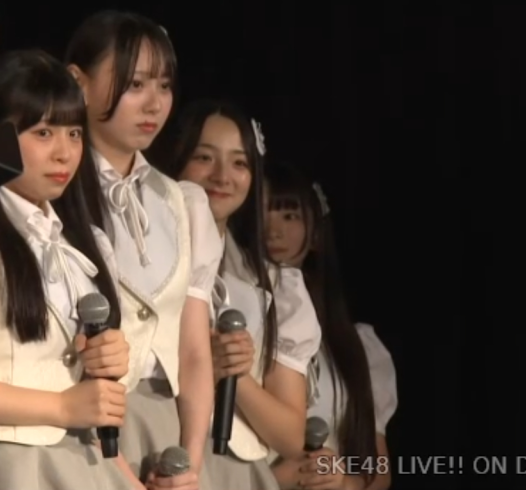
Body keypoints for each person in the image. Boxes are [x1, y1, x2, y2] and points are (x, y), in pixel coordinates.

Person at [0, 49, 140, 489]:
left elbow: (88, 410)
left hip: (81, 465)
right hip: (5, 468)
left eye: (74, 133)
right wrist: (62, 407)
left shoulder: (82, 245)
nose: (64, 153)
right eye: (43, 132)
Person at [63, 11, 222, 490]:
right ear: (79, 82)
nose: (155, 103)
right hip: (80, 435)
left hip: (166, 429)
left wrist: (188, 464)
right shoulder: (55, 195)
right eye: (135, 84)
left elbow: (194, 351)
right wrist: (122, 477)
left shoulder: (182, 202)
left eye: (165, 85)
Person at [148, 100, 322, 490]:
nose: (222, 176)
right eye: (204, 158)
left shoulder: (277, 290)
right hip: (153, 447)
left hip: (232, 473)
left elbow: (291, 437)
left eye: (239, 163)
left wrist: (235, 373)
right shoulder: (142, 260)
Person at [264, 162, 397, 490]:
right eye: (262, 213)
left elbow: (378, 470)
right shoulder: (236, 323)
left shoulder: (355, 346)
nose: (273, 230)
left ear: (315, 235)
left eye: (289, 216)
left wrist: (343, 482)